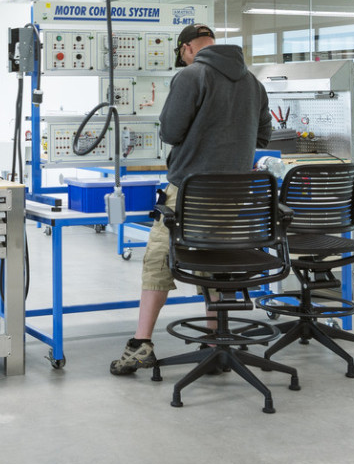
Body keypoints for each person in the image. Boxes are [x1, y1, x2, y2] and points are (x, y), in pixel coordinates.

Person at [110, 23, 272, 376]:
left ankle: (141, 345)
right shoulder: (254, 83)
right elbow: (263, 135)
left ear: (186, 49)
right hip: (235, 196)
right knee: (217, 262)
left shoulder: (191, 76)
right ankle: (216, 342)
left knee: (157, 259)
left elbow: (170, 132)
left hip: (189, 193)